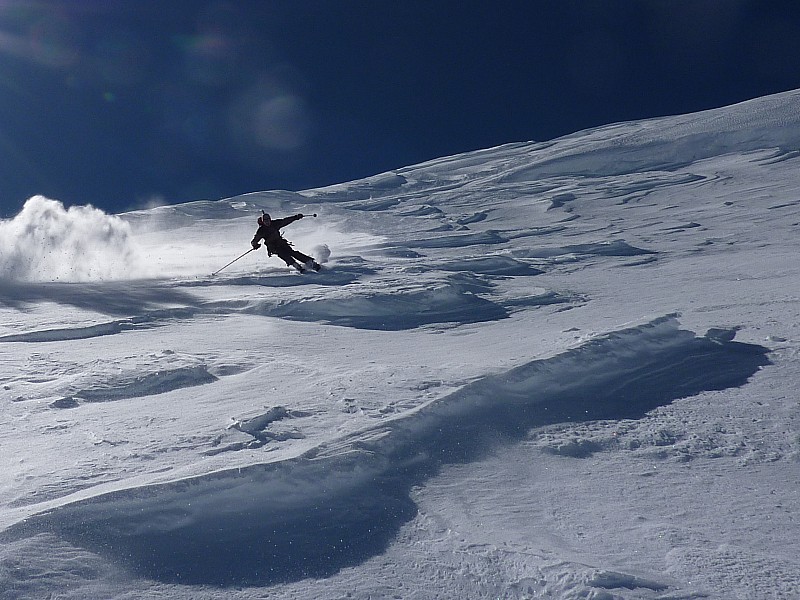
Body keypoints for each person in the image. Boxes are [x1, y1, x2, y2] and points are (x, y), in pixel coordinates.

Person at [251, 212, 321, 273]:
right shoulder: (261, 230)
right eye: (265, 221)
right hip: (272, 246)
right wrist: (255, 245)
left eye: (268, 220)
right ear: (263, 222)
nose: (267, 222)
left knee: (292, 252)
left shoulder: (275, 224)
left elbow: (285, 221)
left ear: (270, 219)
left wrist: (296, 217)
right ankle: (295, 265)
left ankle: (310, 262)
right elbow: (255, 240)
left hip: (281, 243)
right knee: (283, 254)